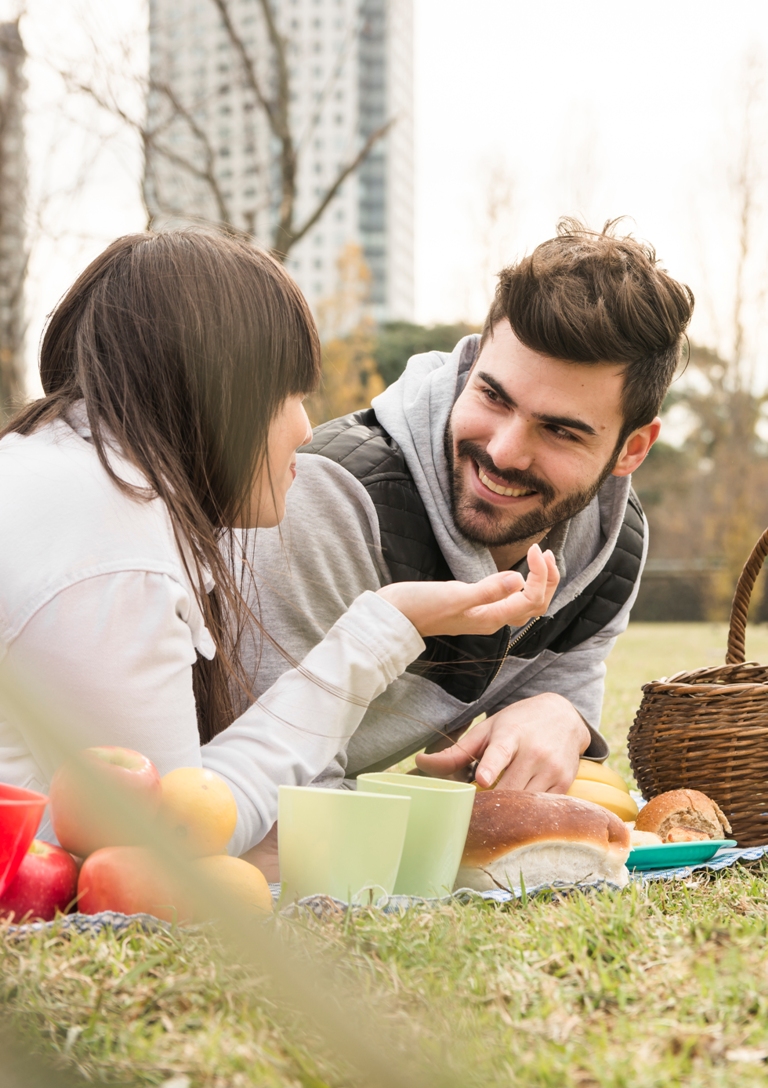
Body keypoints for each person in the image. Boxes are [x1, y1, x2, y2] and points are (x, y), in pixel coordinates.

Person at [0, 228, 559, 854]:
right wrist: (376, 635)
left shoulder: (62, 473)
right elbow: (170, 842)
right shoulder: (114, 556)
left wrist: (386, 623)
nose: (304, 430)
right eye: (286, 397)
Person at [240, 219, 694, 809]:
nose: (503, 452)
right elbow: (265, 785)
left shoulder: (612, 544)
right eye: (493, 396)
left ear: (631, 449)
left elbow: (559, 710)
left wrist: (562, 715)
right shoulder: (333, 500)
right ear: (472, 362)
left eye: (559, 430)